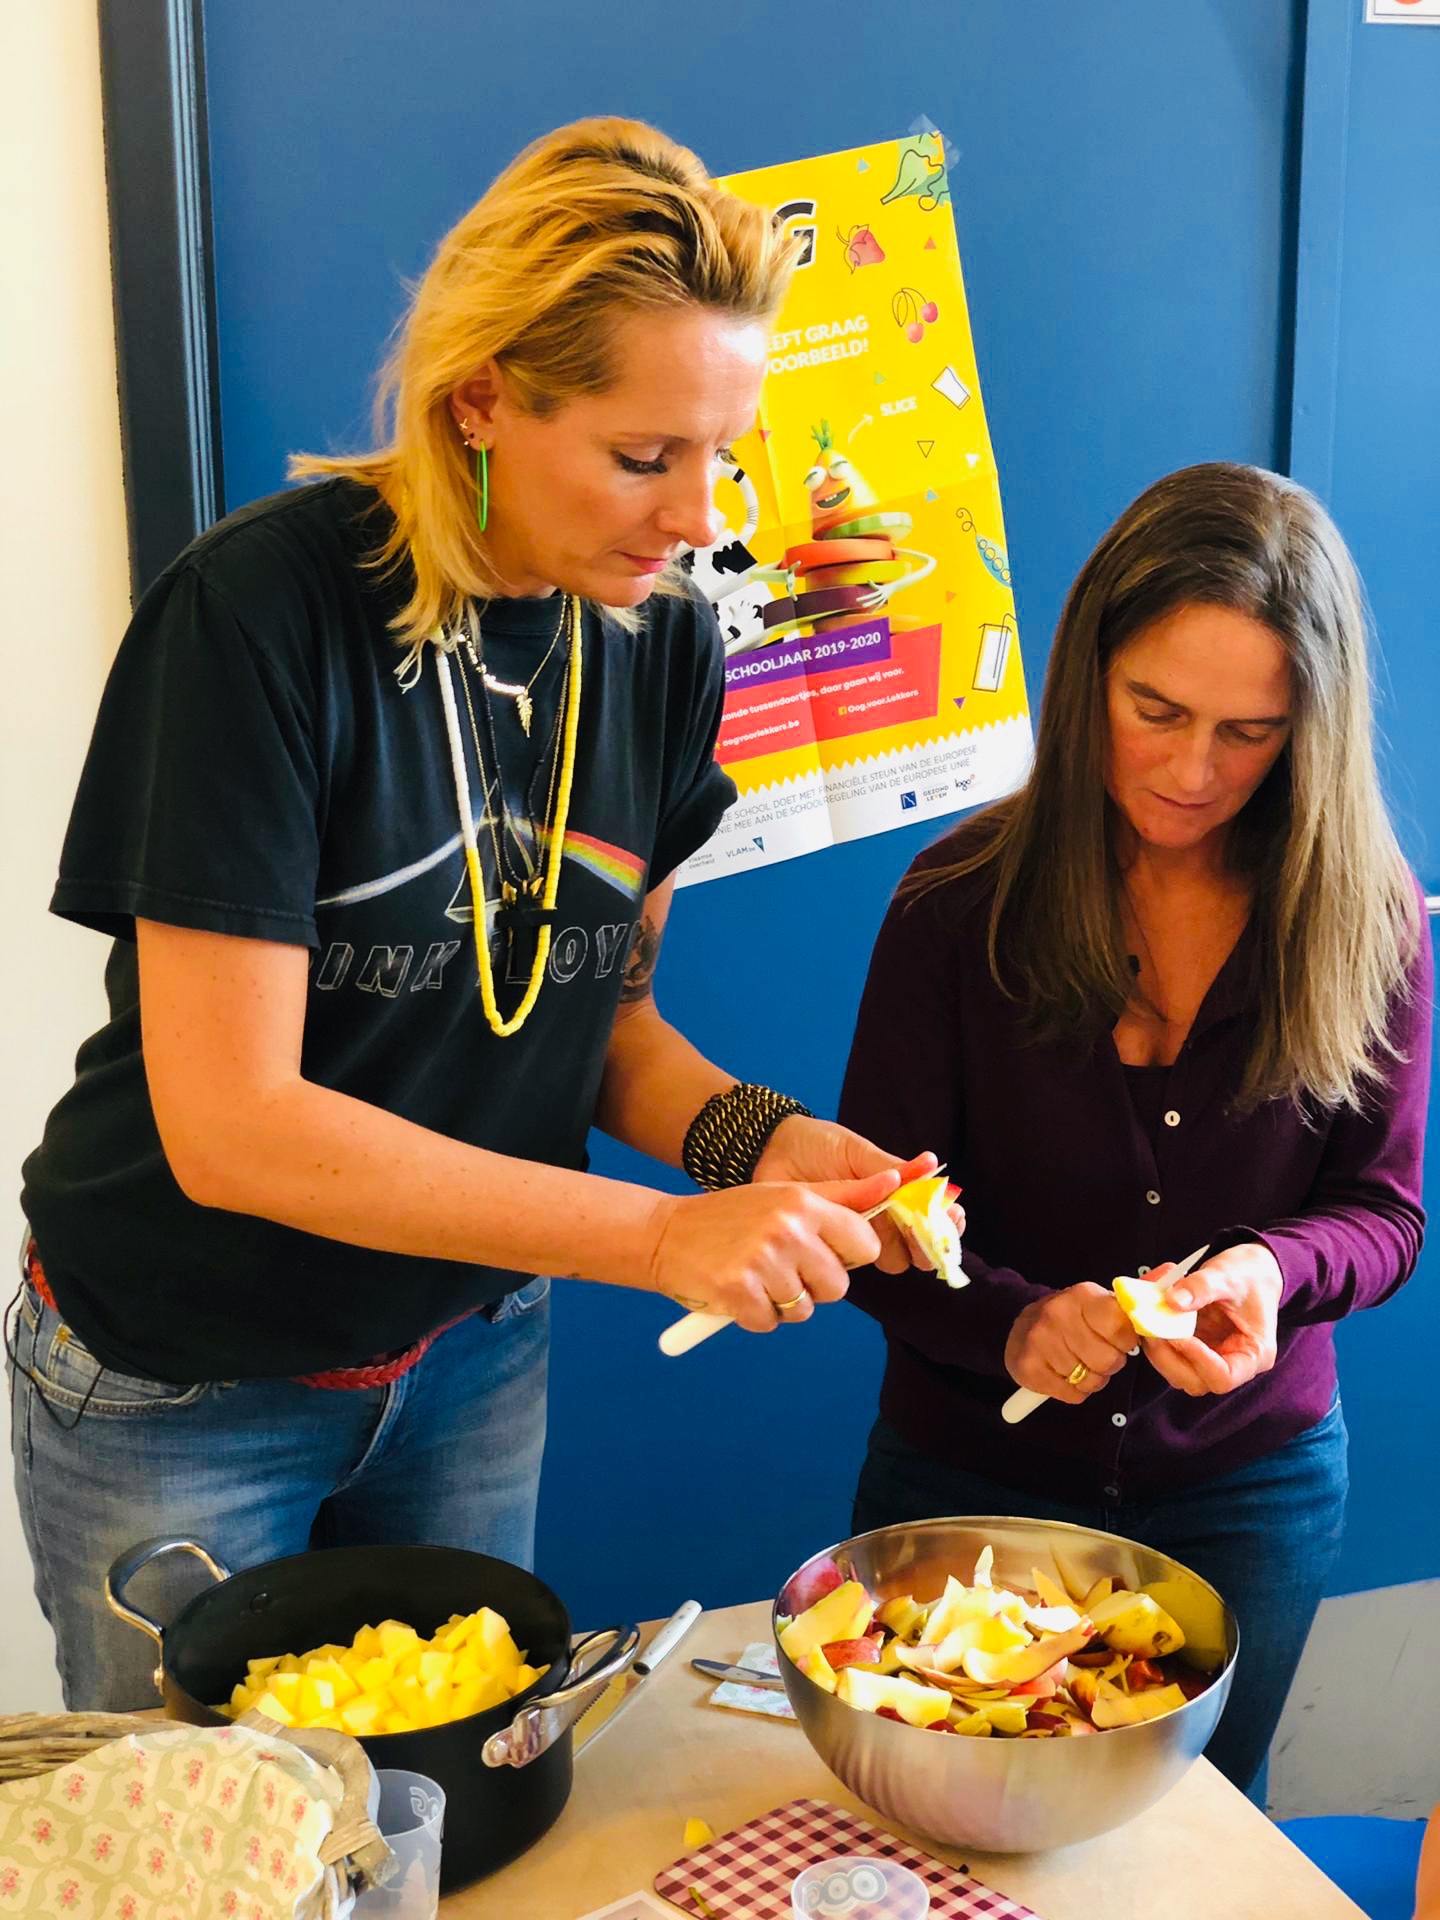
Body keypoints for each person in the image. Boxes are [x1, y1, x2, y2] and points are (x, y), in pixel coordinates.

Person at [9, 117, 935, 1712]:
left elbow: (602, 1027)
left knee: (452, 1817)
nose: (702, 513)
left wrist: (760, 1147)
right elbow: (234, 1126)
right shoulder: (259, 620)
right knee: (214, 1858)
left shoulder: (657, 643)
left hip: (469, 1357)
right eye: (646, 457)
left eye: (727, 449)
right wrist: (662, 1238)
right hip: (186, 1379)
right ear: (482, 401)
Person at [837, 462, 1432, 1801]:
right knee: (943, 1826)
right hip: (968, 1476)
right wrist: (1014, 1323)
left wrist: (1267, 1274)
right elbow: (879, 1218)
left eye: (1254, 731)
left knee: (1202, 1839)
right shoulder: (956, 905)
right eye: (1153, 710)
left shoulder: (1371, 911)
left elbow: (1383, 1213)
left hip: (1252, 1488)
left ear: (1313, 729)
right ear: (1084, 668)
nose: (1193, 771)